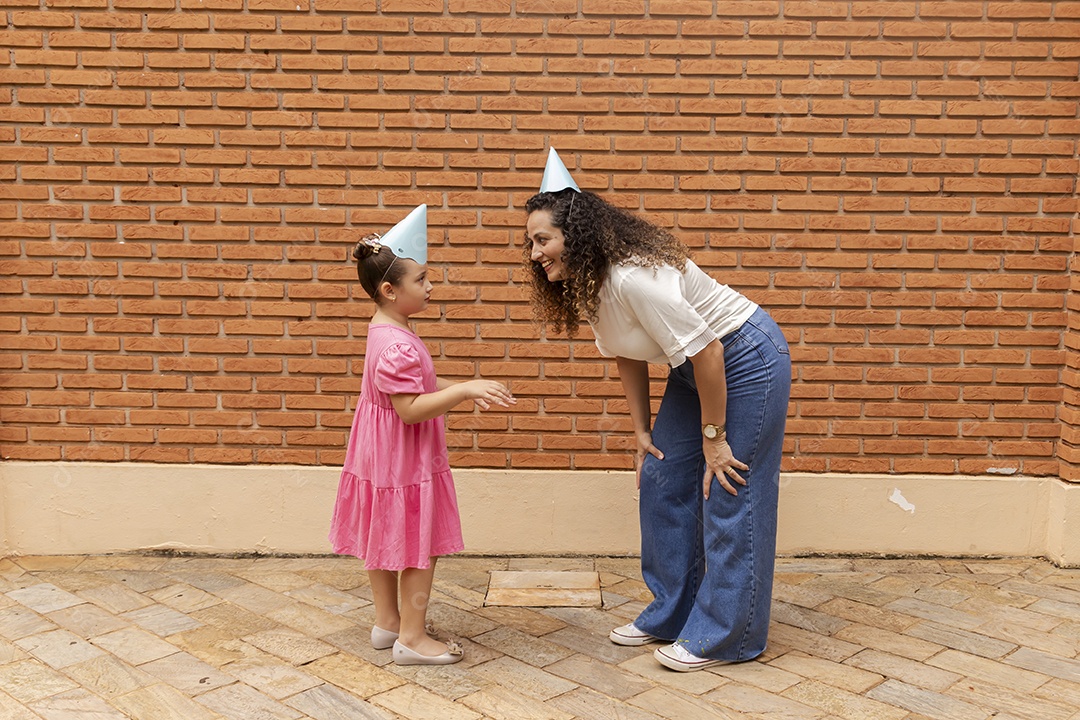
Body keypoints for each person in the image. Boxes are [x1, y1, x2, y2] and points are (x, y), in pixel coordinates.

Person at [522, 149, 791, 672]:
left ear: (573, 237)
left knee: (730, 487)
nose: (534, 253)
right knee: (664, 479)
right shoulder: (589, 284)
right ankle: (672, 612)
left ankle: (725, 637)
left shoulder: (630, 277)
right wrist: (642, 431)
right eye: (530, 242)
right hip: (695, 368)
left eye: (542, 240)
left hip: (744, 356)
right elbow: (626, 352)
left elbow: (710, 349)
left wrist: (715, 437)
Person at [329, 205, 515, 666]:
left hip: (380, 455)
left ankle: (387, 621)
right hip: (404, 457)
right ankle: (411, 639)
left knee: (383, 531)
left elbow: (412, 390)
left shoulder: (386, 331)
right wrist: (466, 389)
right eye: (423, 280)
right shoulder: (396, 344)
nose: (431, 287)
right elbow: (409, 409)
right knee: (417, 541)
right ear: (390, 291)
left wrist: (461, 386)